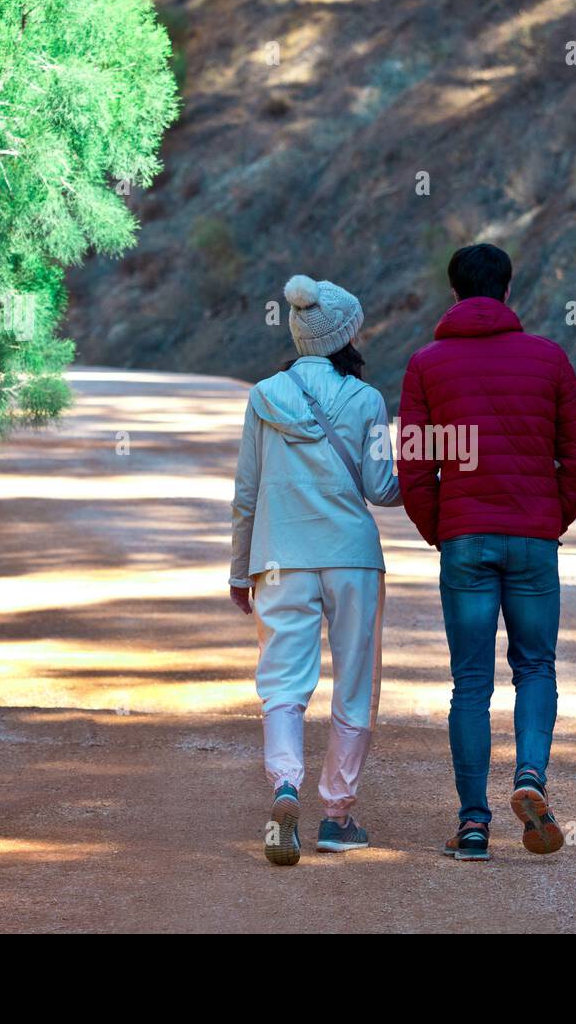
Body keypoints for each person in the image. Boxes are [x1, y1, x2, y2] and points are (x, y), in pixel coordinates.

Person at [398, 244, 576, 861]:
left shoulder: (426, 366)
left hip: (465, 541)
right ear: (508, 292)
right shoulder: (550, 359)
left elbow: (414, 467)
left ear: (453, 295)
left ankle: (474, 825)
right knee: (536, 667)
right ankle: (531, 779)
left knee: (471, 683)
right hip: (534, 539)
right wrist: (549, 518)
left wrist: (443, 529)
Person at [229, 274, 401, 866]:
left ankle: (284, 789)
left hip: (279, 557)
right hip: (351, 558)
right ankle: (336, 816)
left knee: (282, 685)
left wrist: (238, 569)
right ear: (347, 335)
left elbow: (247, 493)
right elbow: (381, 489)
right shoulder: (367, 400)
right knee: (354, 684)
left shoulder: (263, 396)